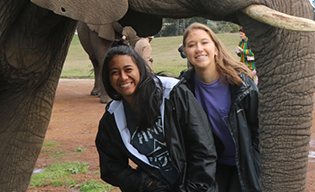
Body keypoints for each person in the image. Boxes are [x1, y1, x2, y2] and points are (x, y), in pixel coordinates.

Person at [95, 41, 218, 192]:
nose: (123, 77)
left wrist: (195, 188)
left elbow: (203, 147)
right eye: (114, 72)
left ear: (140, 69)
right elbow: (111, 166)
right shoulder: (113, 117)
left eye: (128, 69)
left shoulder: (173, 93)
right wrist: (147, 184)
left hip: (197, 186)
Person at [181, 23, 262, 192]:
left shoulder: (242, 85)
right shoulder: (183, 89)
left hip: (245, 162)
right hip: (213, 164)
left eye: (204, 42)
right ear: (186, 53)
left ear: (216, 48)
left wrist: (255, 161)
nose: (198, 49)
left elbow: (258, 128)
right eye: (191, 45)